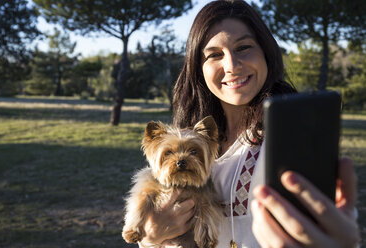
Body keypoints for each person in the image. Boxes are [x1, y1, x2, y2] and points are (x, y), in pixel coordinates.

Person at [137, 0, 360, 247]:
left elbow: (321, 225)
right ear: (198, 68)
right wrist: (150, 238)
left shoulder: (293, 138)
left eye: (243, 47)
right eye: (214, 55)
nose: (231, 65)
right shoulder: (188, 142)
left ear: (266, 52)